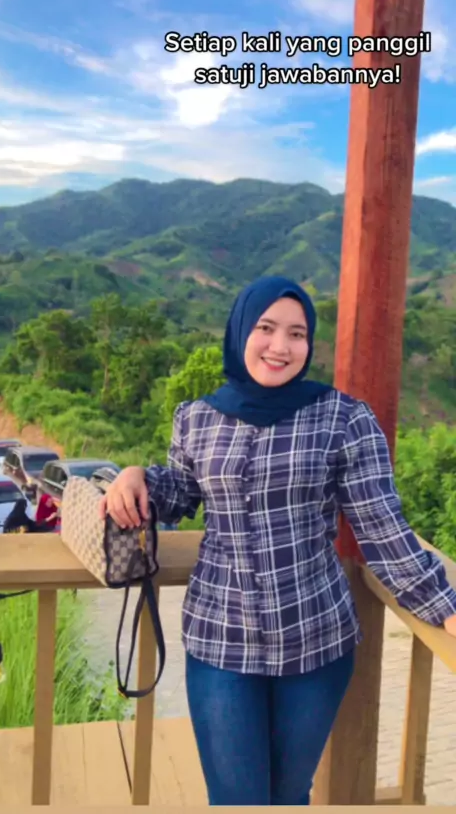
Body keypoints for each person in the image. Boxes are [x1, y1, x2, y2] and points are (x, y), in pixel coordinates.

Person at [100, 276, 456, 806]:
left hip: (315, 638)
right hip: (221, 637)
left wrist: (445, 608)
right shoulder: (196, 418)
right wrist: (135, 476)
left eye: (297, 334)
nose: (280, 346)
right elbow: (180, 492)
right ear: (241, 330)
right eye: (266, 328)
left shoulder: (343, 419)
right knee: (236, 797)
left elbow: (382, 529)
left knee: (289, 794)